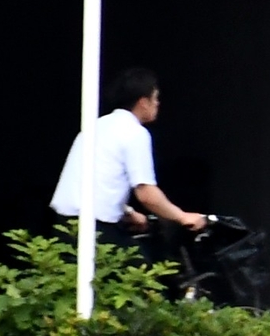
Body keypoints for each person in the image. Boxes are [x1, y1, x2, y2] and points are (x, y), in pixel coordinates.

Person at [49, 66, 207, 249]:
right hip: (94, 228)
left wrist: (128, 212)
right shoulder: (135, 133)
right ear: (143, 102)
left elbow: (97, 180)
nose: (158, 104)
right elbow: (146, 193)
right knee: (145, 272)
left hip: (64, 225)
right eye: (155, 98)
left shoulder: (96, 126)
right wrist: (183, 216)